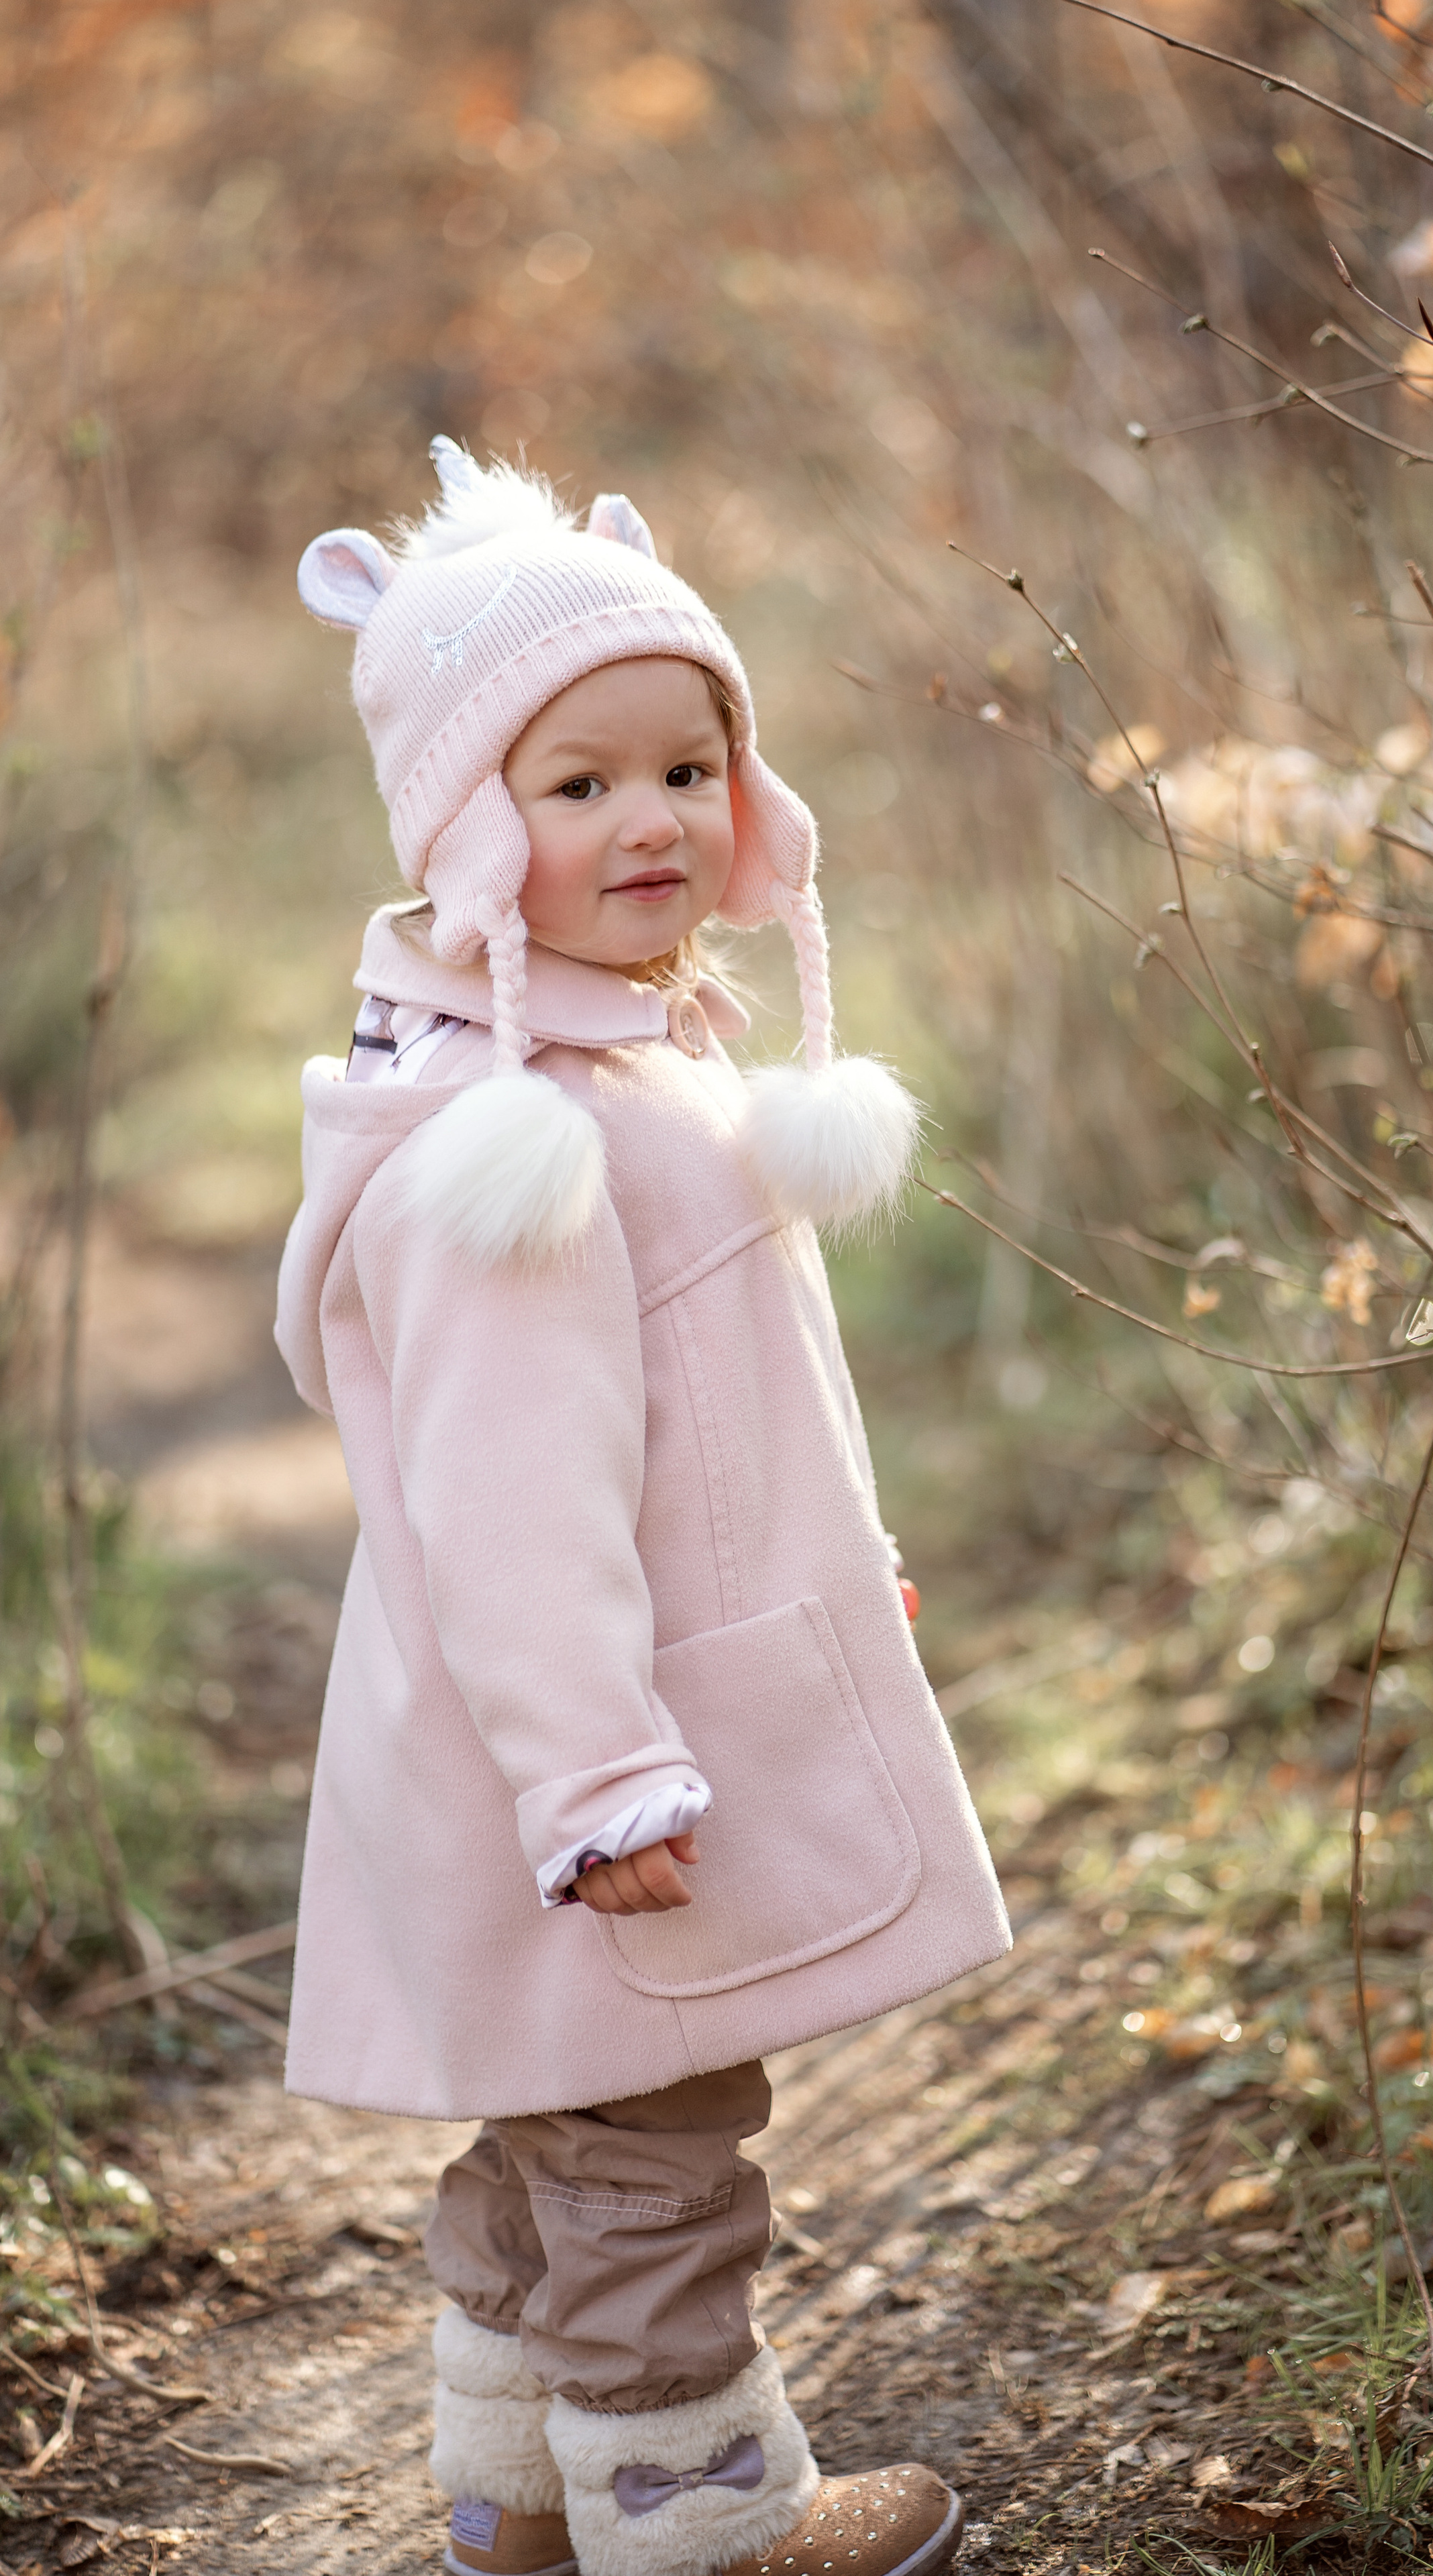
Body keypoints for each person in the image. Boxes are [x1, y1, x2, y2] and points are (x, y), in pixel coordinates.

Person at [274, 441, 1010, 2576]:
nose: (649, 821)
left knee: (564, 2133)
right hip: (591, 1761)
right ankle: (701, 2528)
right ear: (468, 827)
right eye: (574, 786)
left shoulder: (617, 1062)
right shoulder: (514, 1143)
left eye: (686, 767)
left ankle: (513, 2500)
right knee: (658, 2153)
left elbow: (706, 1409)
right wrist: (599, 1777)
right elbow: (515, 1499)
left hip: (594, 1731)